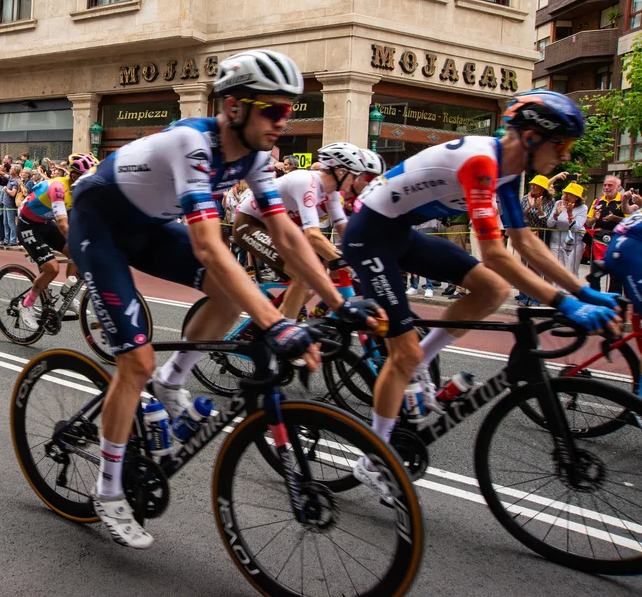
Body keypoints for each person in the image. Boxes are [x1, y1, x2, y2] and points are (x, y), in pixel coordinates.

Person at [69, 50, 381, 548]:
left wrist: (340, 303)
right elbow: (210, 248)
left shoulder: (256, 158)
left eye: (289, 110)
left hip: (148, 226)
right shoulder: (193, 144)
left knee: (228, 296)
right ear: (235, 107)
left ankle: (172, 380)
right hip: (98, 226)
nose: (284, 121)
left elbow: (286, 233)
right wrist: (276, 324)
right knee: (135, 361)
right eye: (274, 110)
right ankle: (107, 493)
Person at [342, 89, 621, 500]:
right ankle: (374, 459)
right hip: (369, 238)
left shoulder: (508, 169)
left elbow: (524, 241)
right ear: (531, 138)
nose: (564, 156)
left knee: (493, 289)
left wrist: (583, 291)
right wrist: (565, 303)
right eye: (561, 145)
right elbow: (495, 253)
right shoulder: (482, 162)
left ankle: (423, 364)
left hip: (400, 234)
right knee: (403, 353)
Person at [232, 143, 384, 319]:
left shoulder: (332, 193)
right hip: (249, 224)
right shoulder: (307, 182)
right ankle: (284, 331)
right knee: (303, 276)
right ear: (341, 172)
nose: (356, 181)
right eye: (354, 175)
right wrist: (346, 262)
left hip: (278, 229)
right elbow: (312, 235)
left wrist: (366, 256)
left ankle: (276, 322)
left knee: (310, 285)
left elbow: (344, 231)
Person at [15, 153, 97, 330]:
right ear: (74, 176)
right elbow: (63, 225)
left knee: (74, 252)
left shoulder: (80, 192)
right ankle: (26, 304)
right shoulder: (58, 188)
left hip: (44, 223)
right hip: (27, 225)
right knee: (52, 268)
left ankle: (68, 293)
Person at [516, 174, 555, 306]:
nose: (532, 186)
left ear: (542, 188)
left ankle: (535, 299)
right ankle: (523, 297)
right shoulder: (525, 198)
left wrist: (539, 208)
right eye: (532, 184)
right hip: (526, 235)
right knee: (524, 267)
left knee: (537, 268)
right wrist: (529, 207)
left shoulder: (549, 201)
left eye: (535, 185)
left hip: (540, 237)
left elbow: (546, 221)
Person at [588, 174, 626, 294]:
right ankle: (594, 299)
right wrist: (594, 218)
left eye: (610, 185)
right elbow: (588, 222)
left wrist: (615, 218)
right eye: (605, 185)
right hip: (598, 242)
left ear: (618, 187)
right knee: (595, 275)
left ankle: (614, 301)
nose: (606, 187)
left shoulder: (625, 200)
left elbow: (631, 221)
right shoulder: (597, 201)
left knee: (616, 276)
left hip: (617, 242)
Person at [547, 182, 588, 277]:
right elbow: (549, 224)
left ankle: (572, 287)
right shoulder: (558, 203)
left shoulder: (583, 208)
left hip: (574, 243)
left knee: (570, 271)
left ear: (576, 197)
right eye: (565, 193)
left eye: (569, 194)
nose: (565, 196)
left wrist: (570, 214)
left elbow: (576, 227)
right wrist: (555, 215)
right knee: (556, 271)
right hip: (557, 242)